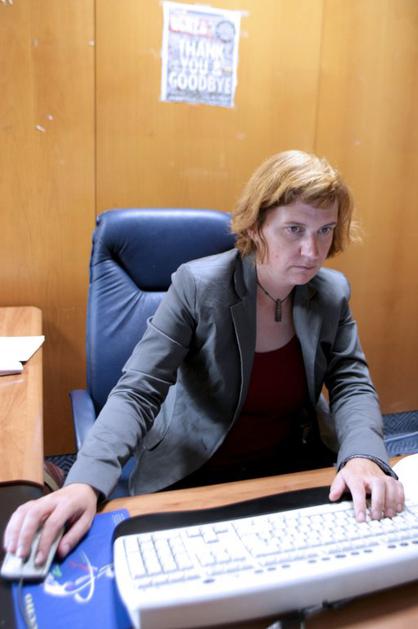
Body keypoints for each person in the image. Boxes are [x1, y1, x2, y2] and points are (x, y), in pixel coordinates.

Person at [4, 150, 404, 568]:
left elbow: (350, 381)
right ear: (256, 226)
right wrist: (84, 482)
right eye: (294, 229)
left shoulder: (331, 292)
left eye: (325, 230)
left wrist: (363, 454)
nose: (311, 250)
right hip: (199, 468)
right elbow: (139, 389)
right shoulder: (198, 286)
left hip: (292, 465)